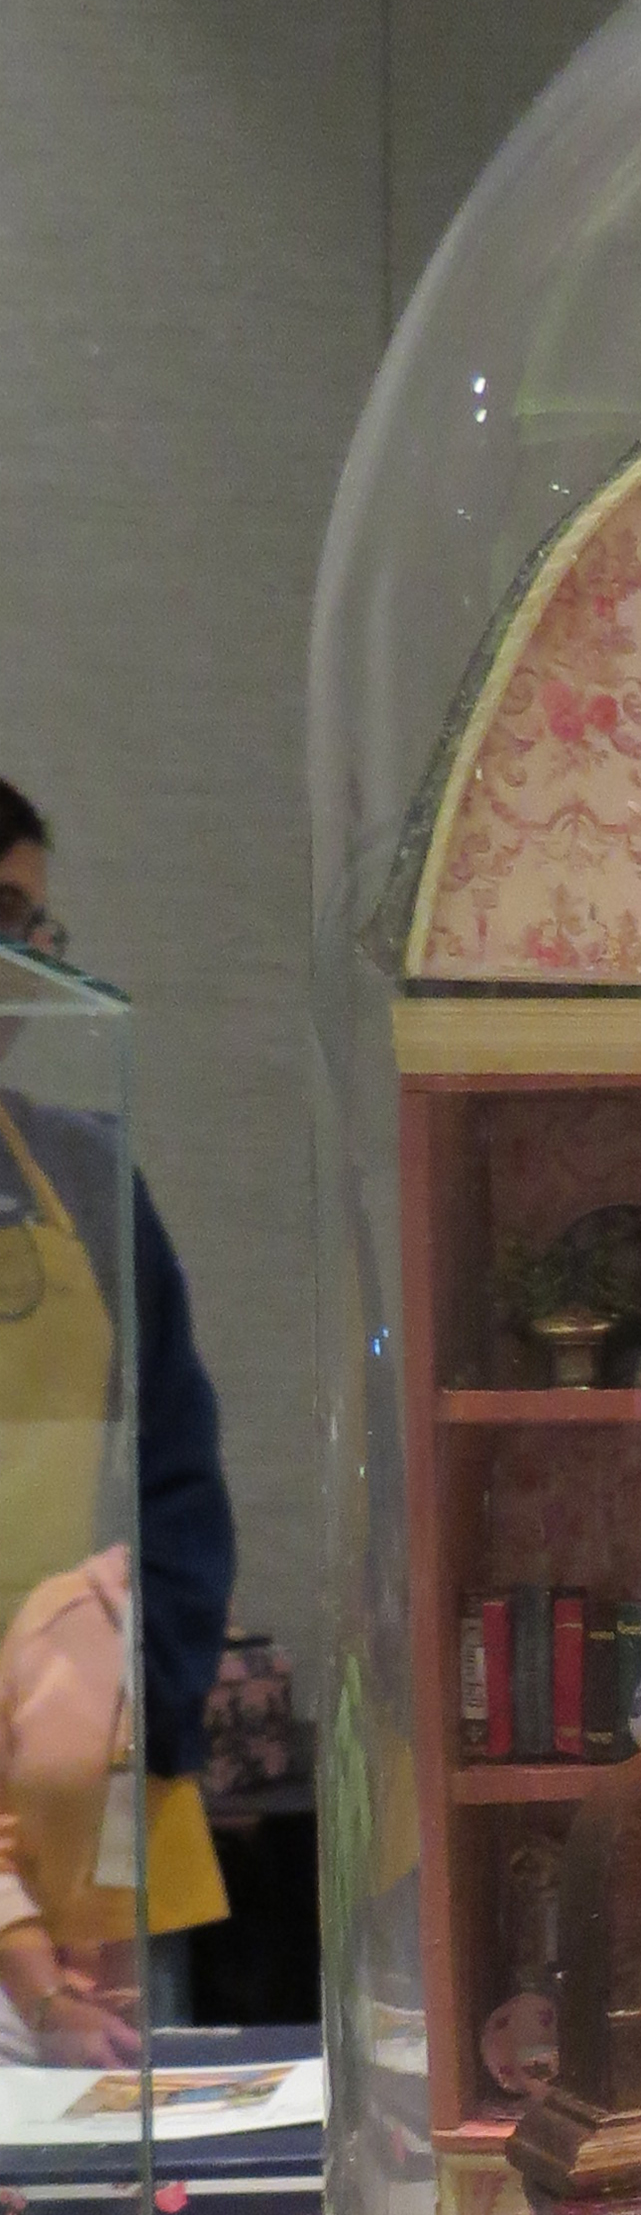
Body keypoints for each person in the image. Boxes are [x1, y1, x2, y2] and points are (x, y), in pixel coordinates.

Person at [0, 778, 236, 2054]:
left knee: (115, 2117)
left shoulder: (86, 1173)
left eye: (39, 926)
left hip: (78, 1751)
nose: (30, 962)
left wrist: (145, 1698)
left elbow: (176, 1464)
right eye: (6, 919)